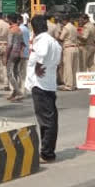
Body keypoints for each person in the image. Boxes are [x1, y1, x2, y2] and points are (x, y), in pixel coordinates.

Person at [26, 15, 62, 163]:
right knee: (49, 119)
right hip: (48, 84)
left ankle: (47, 153)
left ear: (34, 28)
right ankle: (48, 151)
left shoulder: (43, 41)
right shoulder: (53, 41)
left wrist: (38, 66)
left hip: (41, 85)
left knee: (46, 121)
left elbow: (41, 54)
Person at [5, 14, 26, 102]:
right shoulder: (19, 29)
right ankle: (14, 93)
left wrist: (6, 56)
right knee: (15, 72)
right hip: (18, 54)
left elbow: (9, 45)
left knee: (10, 74)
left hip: (12, 54)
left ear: (10, 20)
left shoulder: (11, 30)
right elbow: (23, 43)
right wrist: (20, 52)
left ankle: (18, 92)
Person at [58, 14, 79, 91]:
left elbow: (61, 38)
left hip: (68, 48)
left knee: (68, 67)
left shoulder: (66, 27)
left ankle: (69, 85)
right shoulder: (74, 27)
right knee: (74, 67)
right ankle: (74, 84)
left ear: (64, 20)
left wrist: (58, 35)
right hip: (75, 48)